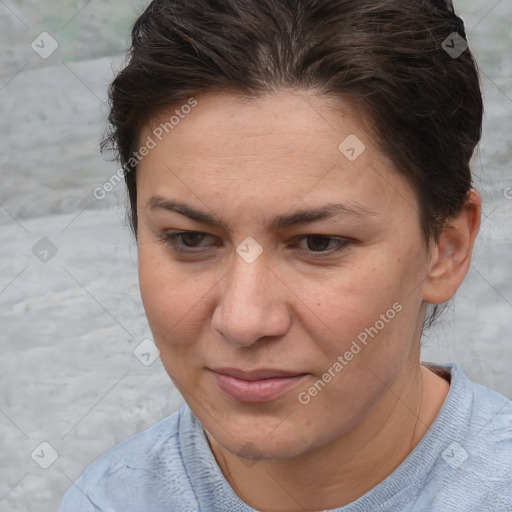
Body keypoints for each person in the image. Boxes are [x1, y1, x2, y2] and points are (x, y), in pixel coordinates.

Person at [59, 0, 512, 510]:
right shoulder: (109, 498)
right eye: (190, 238)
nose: (244, 321)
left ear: (446, 249)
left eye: (319, 243)